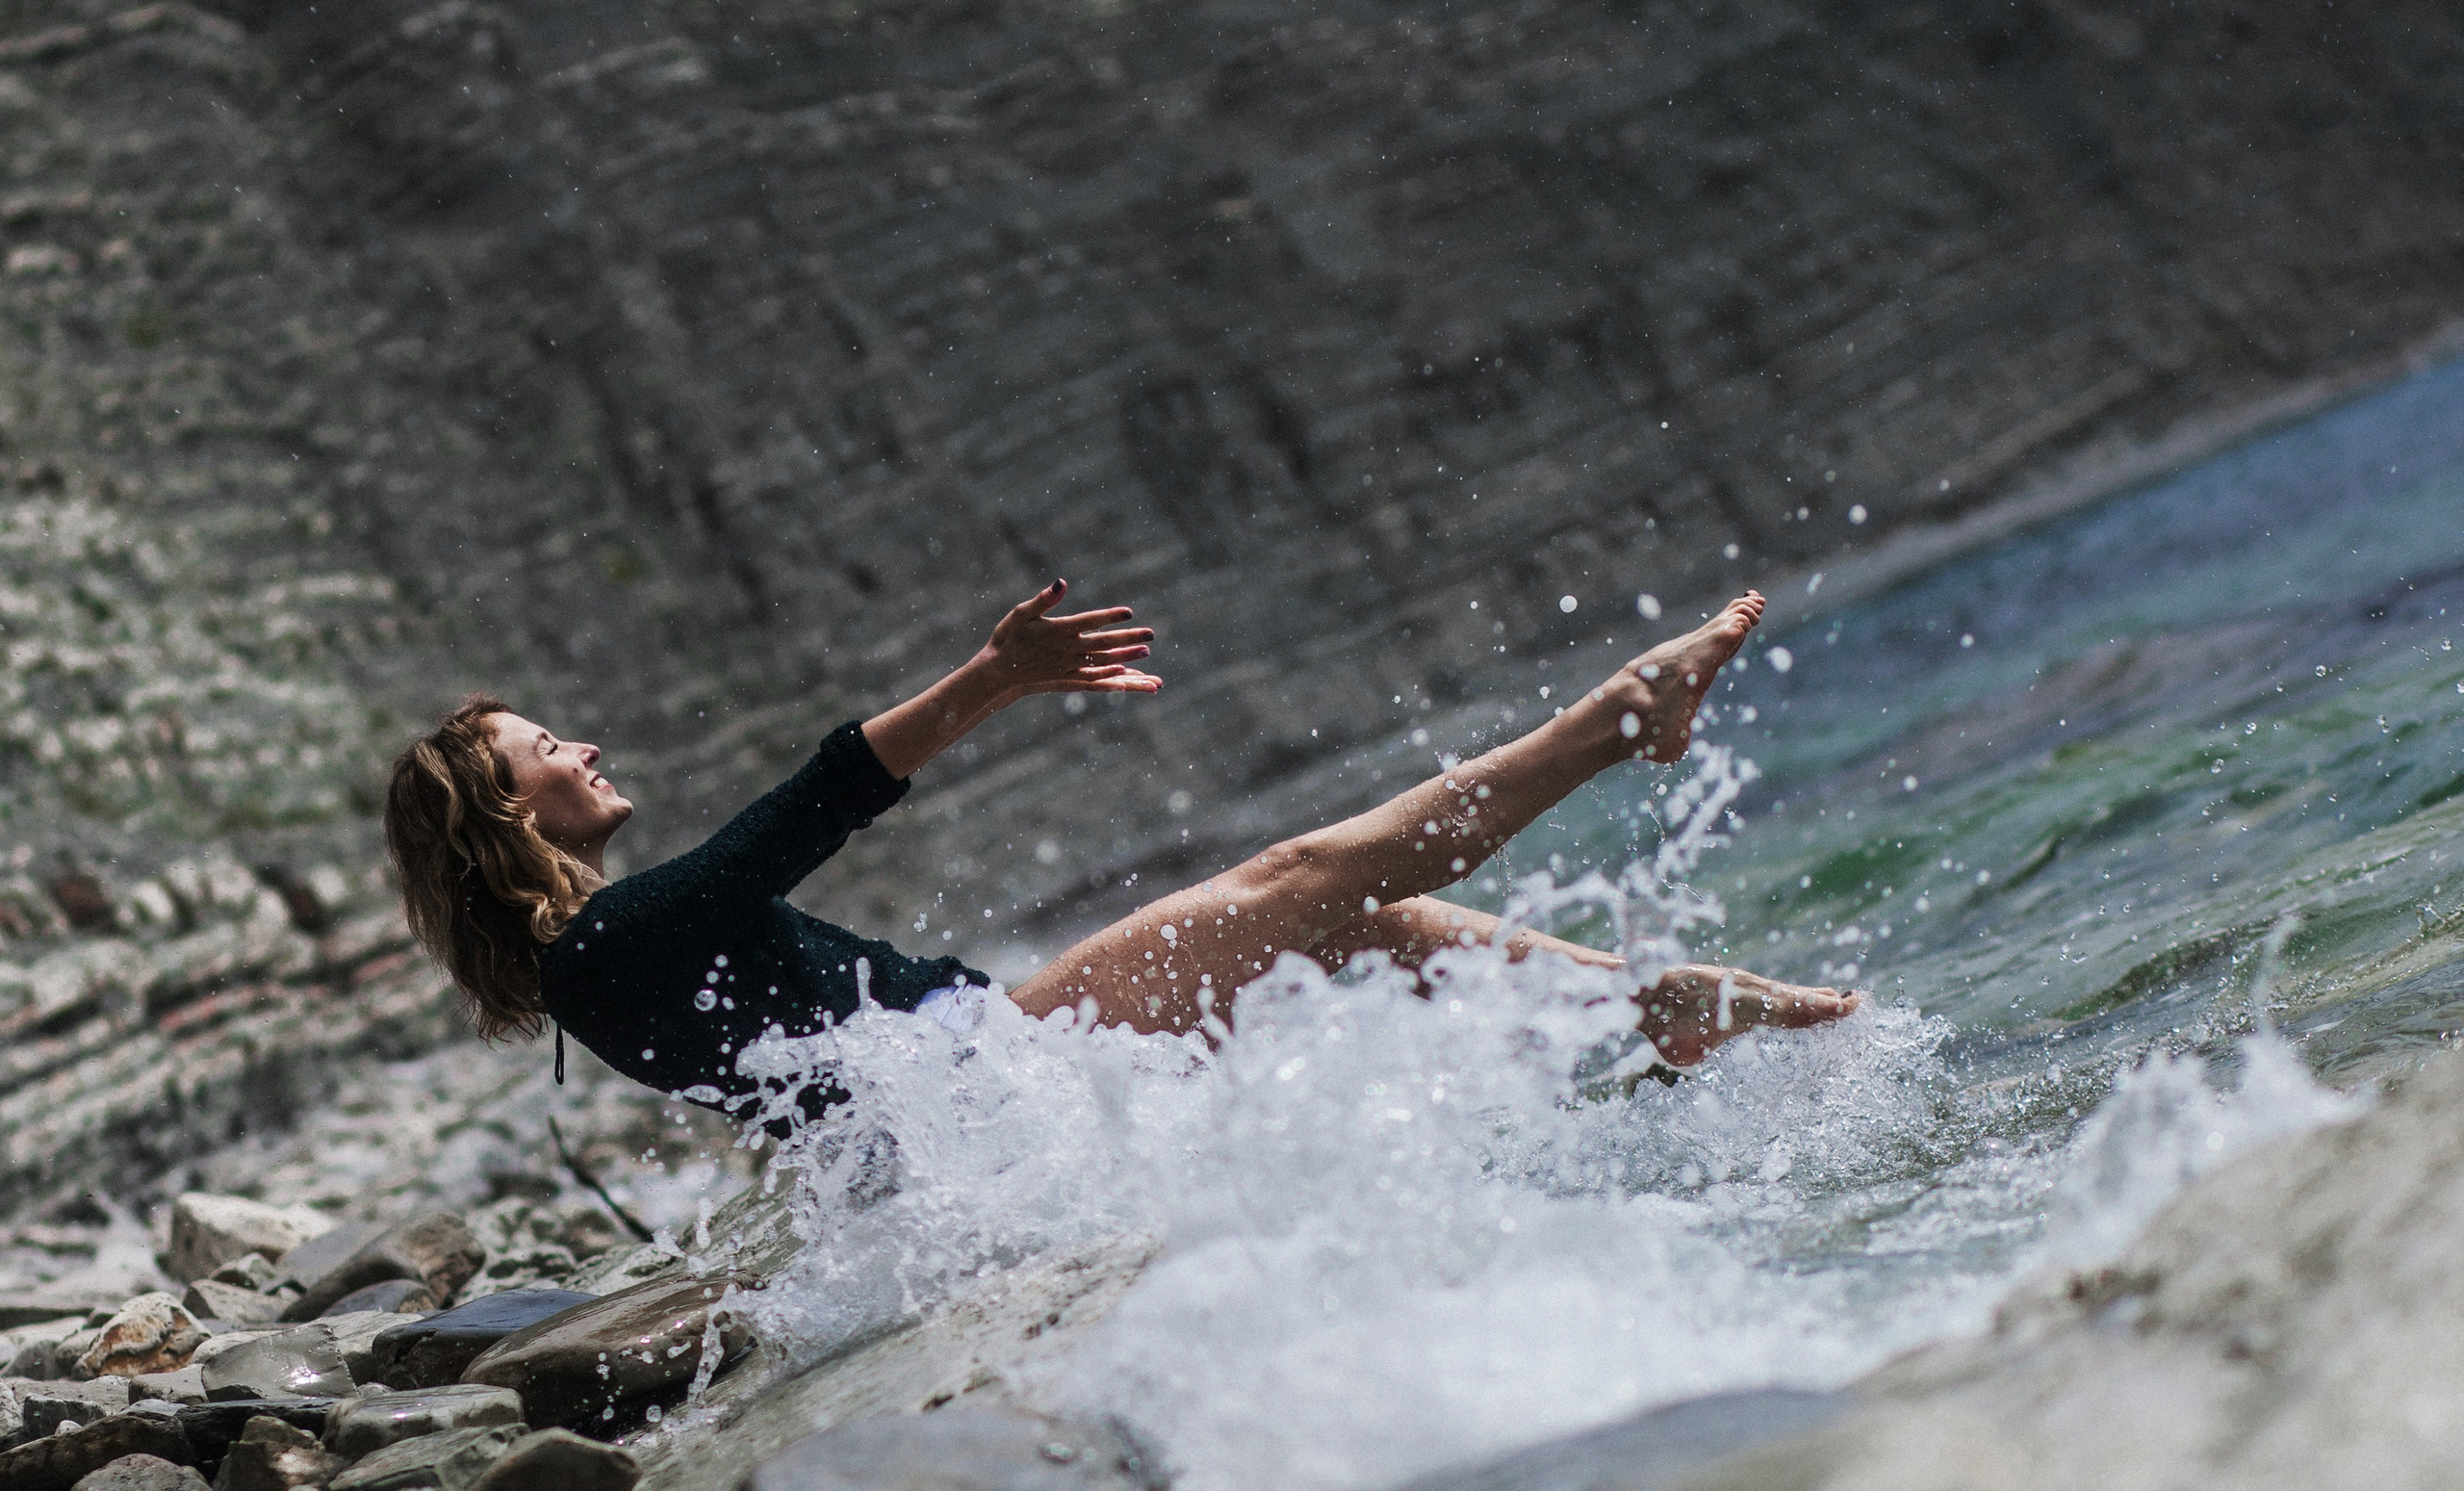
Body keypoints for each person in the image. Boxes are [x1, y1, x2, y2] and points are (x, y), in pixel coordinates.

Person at [382, 581, 1856, 1115]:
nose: (579, 747)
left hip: (992, 1101)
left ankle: (1646, 1003)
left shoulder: (597, 962)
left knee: (1361, 931)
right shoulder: (613, 941)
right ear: (516, 817)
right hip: (1000, 1078)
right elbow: (813, 804)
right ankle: (1619, 722)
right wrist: (995, 676)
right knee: (1300, 884)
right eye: (543, 751)